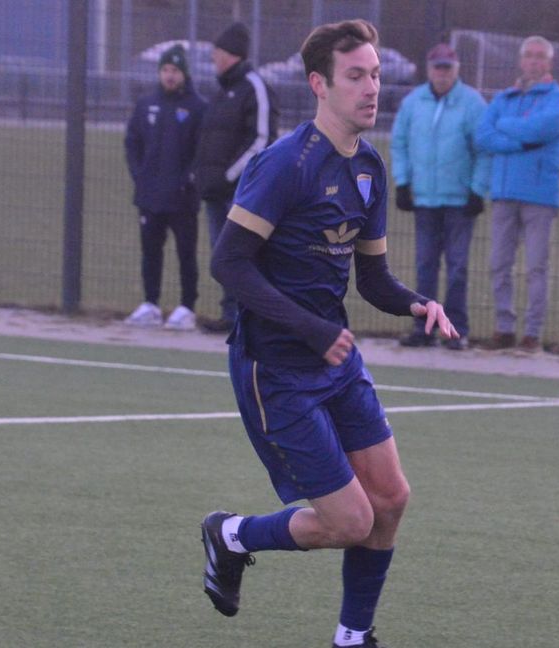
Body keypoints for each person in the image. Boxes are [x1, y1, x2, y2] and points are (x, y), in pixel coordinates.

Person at [199, 19, 457, 648]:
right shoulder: (285, 164)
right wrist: (312, 328)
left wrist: (419, 304)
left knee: (391, 499)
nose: (372, 87)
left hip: (334, 359)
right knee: (350, 520)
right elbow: (228, 264)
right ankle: (230, 535)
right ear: (320, 85)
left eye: (374, 74)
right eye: (356, 76)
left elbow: (372, 280)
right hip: (276, 366)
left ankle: (352, 636)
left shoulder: (369, 166)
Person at [475, 35, 559, 353]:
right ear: (521, 60)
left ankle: (532, 333)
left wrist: (507, 128)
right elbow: (484, 136)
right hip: (503, 193)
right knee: (499, 263)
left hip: (539, 197)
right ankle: (504, 328)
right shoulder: (504, 98)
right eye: (528, 55)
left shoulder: (558, 99)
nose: (533, 61)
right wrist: (519, 140)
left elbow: (543, 129)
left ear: (549, 62)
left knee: (535, 267)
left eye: (539, 56)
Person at [391, 42, 490, 351]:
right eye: (437, 67)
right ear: (429, 69)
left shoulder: (473, 103)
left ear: (456, 69)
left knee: (458, 267)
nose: (442, 73)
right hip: (425, 199)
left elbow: (483, 150)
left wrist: (477, 189)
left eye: (447, 67)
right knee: (424, 266)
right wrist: (403, 182)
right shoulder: (413, 103)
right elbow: (399, 142)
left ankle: (455, 329)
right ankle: (423, 328)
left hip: (459, 200)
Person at [193, 21, 279, 333]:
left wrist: (228, 177)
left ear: (231, 54)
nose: (213, 57)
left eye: (217, 51)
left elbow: (261, 140)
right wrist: (202, 175)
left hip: (241, 192)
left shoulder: (254, 87)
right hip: (216, 192)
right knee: (223, 255)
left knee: (243, 255)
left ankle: (254, 316)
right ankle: (231, 315)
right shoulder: (223, 91)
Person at [122, 43, 206, 330]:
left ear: (184, 73)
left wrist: (188, 181)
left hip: (182, 199)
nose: (170, 76)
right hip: (150, 195)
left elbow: (201, 152)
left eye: (175, 70)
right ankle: (151, 304)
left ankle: (186, 307)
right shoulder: (146, 104)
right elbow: (132, 142)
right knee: (150, 250)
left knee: (185, 252)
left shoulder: (197, 107)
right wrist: (139, 174)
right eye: (166, 70)